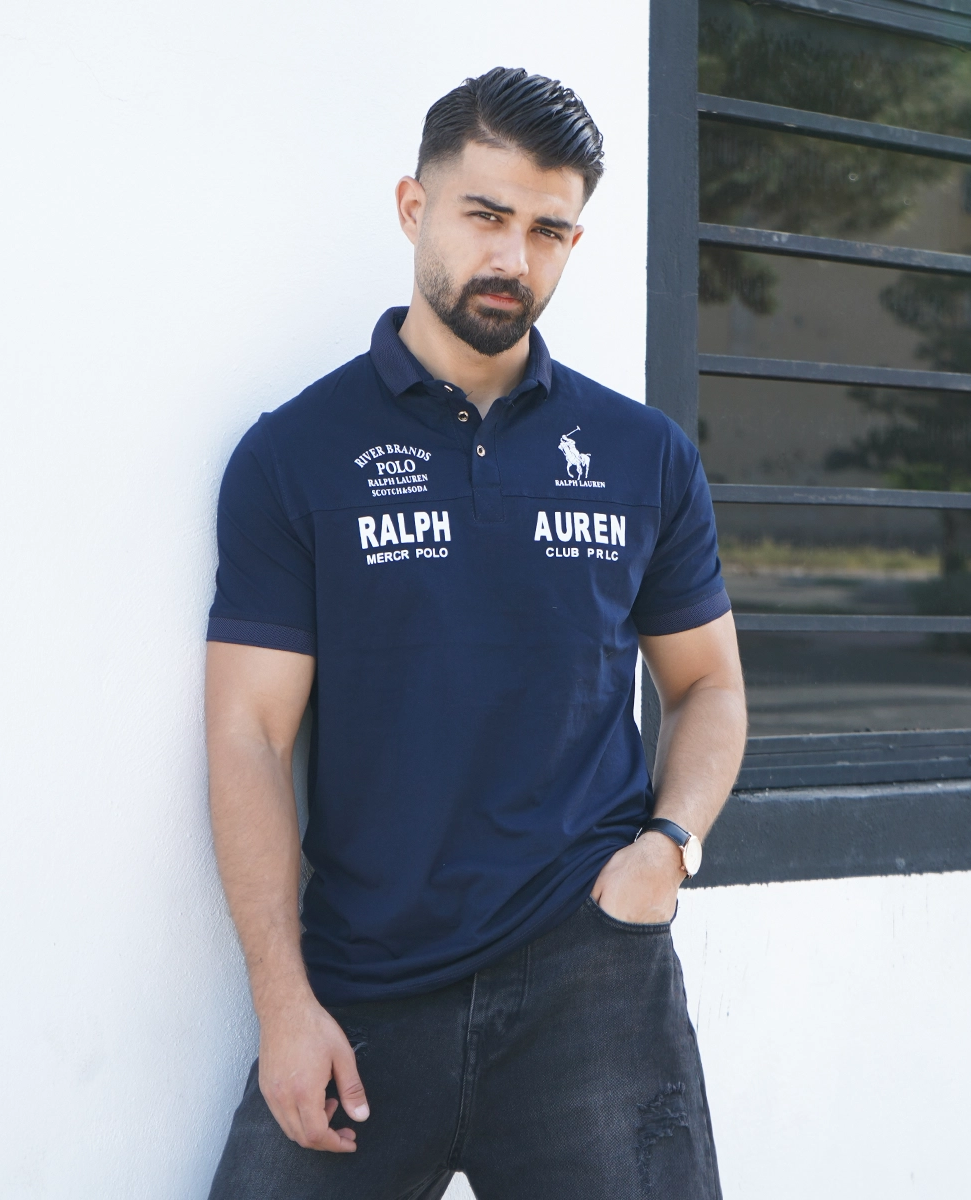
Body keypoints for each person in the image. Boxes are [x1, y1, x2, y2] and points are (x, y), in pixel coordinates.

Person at [204, 66, 747, 1200]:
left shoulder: (643, 455)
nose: (514, 257)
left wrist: (668, 848)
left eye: (548, 230)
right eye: (486, 215)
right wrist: (282, 1003)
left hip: (590, 977)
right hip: (365, 978)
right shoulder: (296, 455)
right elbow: (250, 733)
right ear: (415, 207)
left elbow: (709, 686)